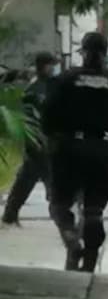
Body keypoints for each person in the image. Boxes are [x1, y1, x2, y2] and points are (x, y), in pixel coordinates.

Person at [41, 33, 108, 271]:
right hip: (102, 151)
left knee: (59, 204)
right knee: (94, 208)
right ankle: (89, 264)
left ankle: (70, 237)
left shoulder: (66, 79)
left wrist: (54, 140)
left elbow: (47, 115)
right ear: (105, 54)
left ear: (83, 52)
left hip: (69, 149)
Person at [2, 52, 59, 226]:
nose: (54, 68)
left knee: (28, 177)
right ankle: (60, 214)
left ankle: (10, 214)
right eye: (51, 65)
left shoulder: (49, 85)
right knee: (49, 177)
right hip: (38, 139)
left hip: (44, 140)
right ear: (44, 66)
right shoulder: (34, 89)